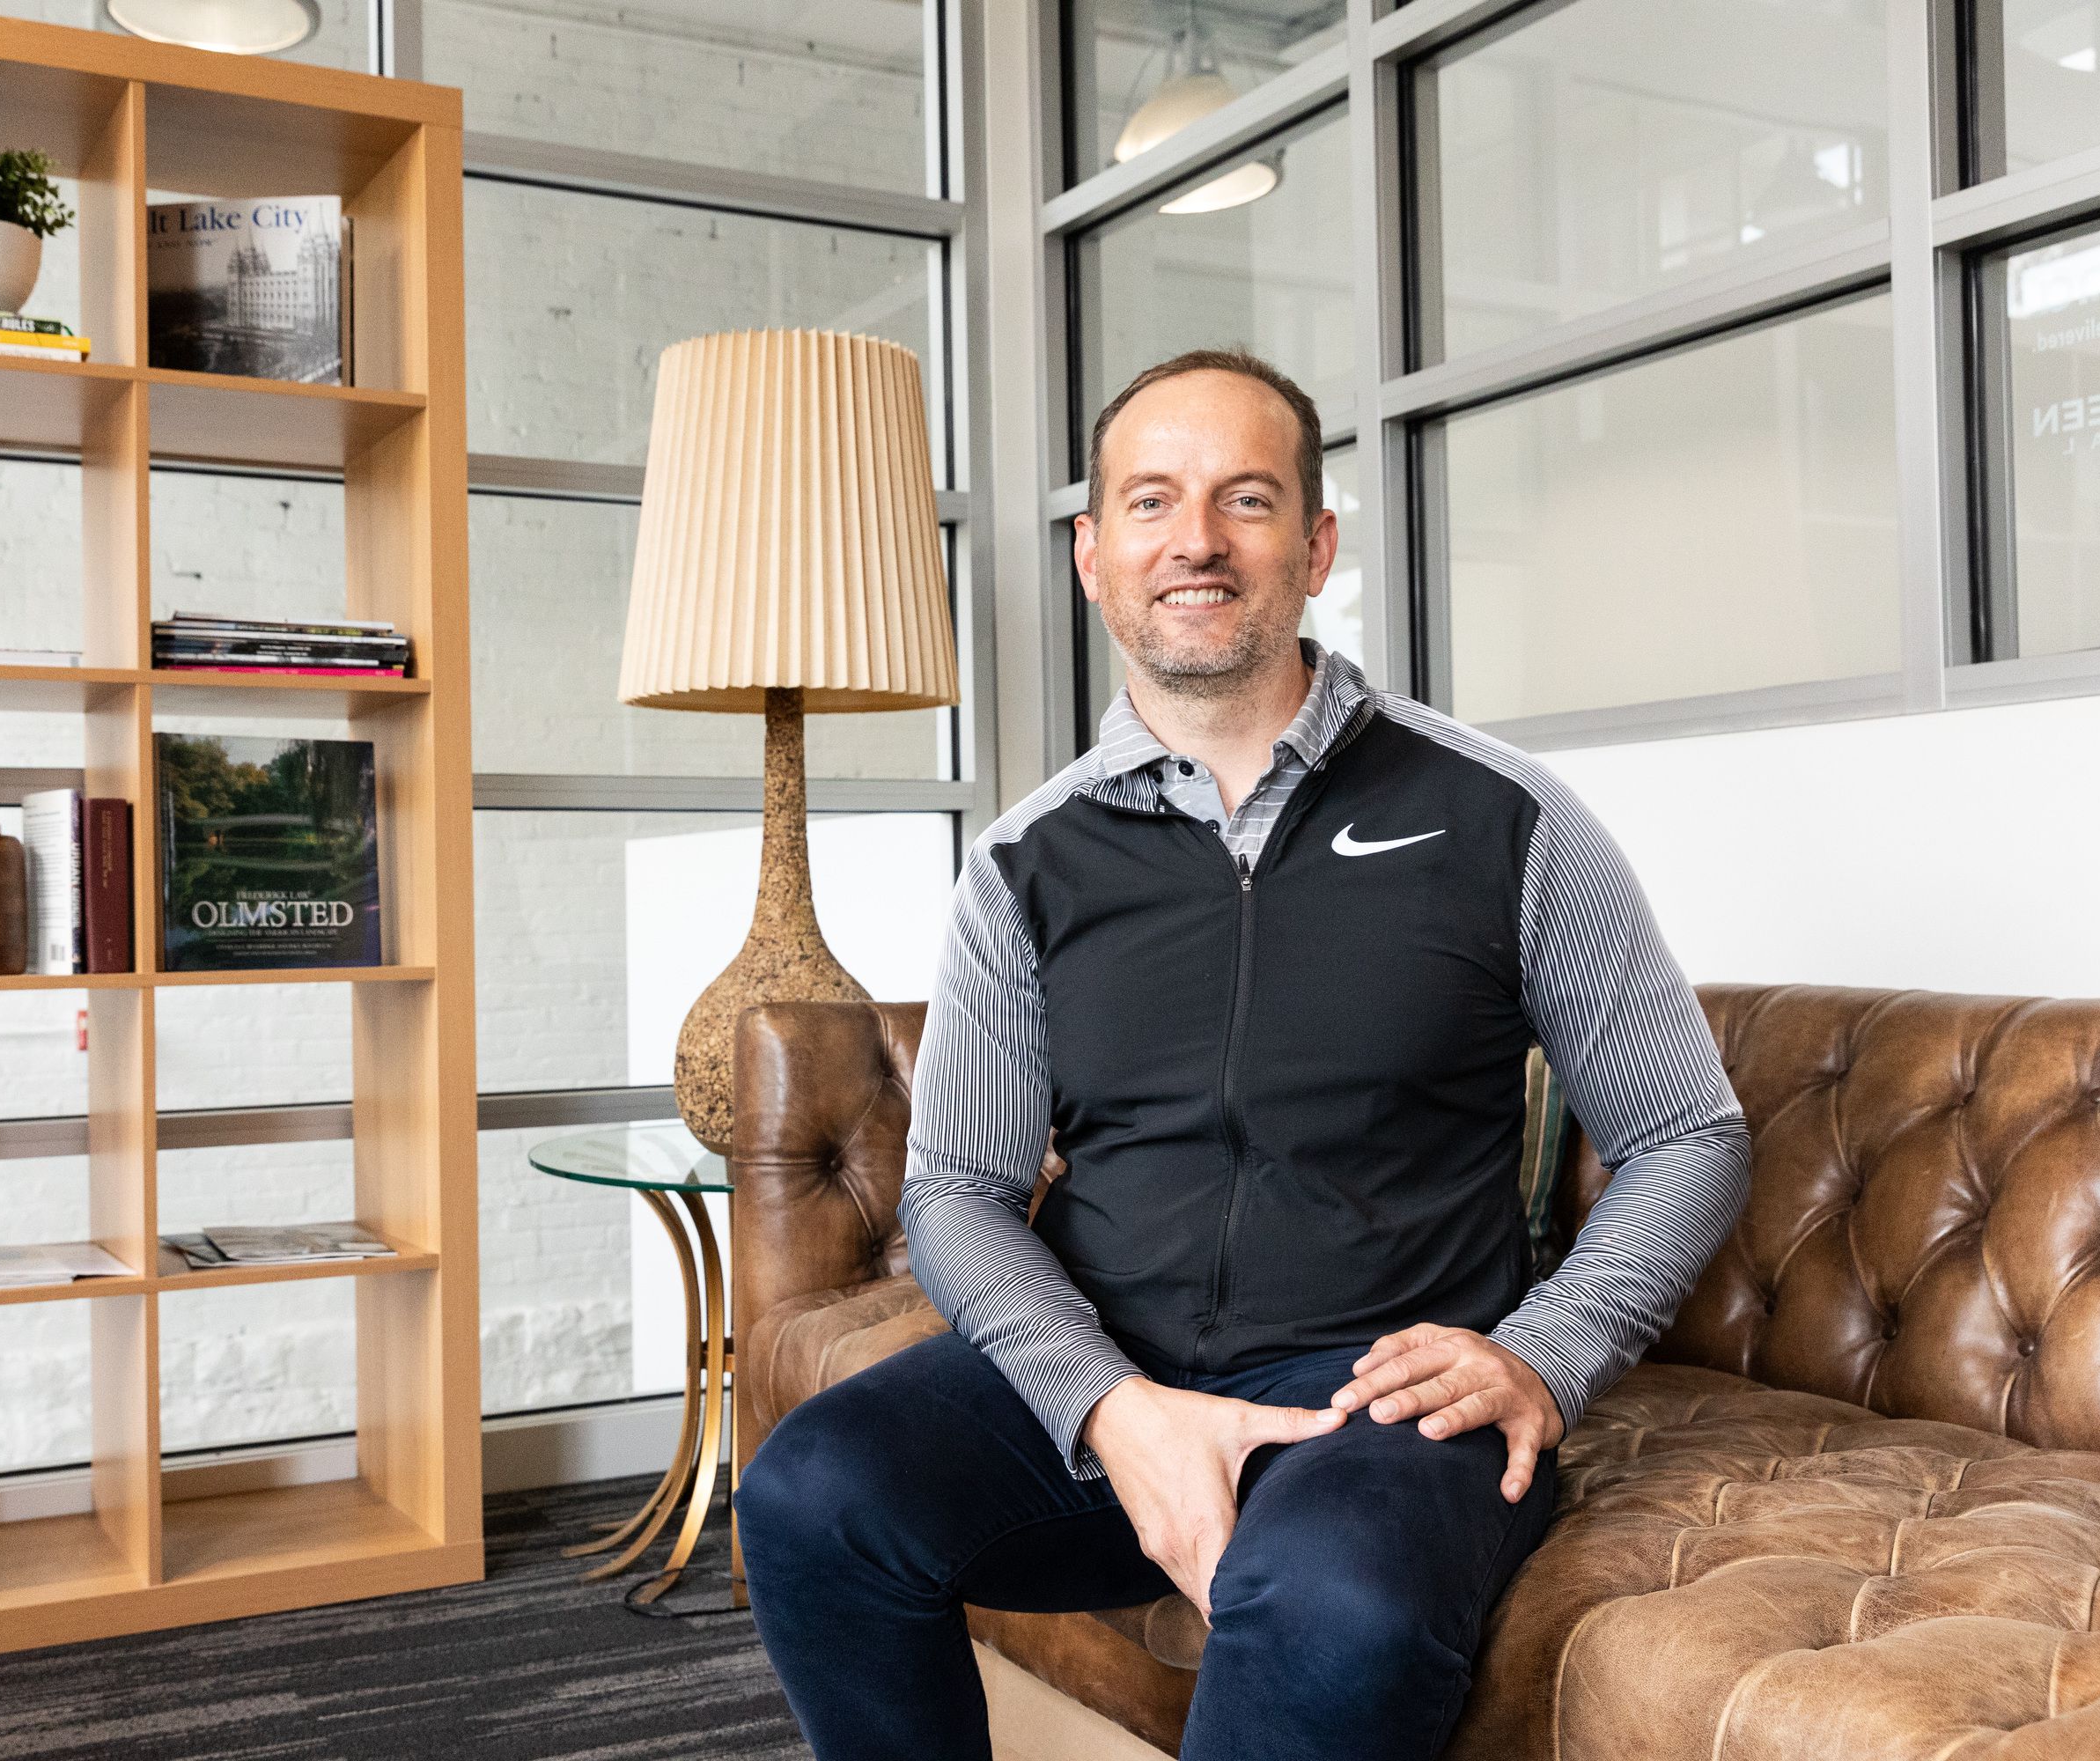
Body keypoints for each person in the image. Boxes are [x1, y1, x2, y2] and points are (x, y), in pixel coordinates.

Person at [733, 348, 1751, 1761]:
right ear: (1094, 556)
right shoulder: (1024, 865)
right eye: (1150, 503)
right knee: (809, 1498)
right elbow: (958, 1190)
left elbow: (1688, 1133)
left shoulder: (1507, 818)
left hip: (1382, 1403)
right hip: (1113, 1365)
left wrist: (1544, 1359)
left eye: (1247, 499)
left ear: (1317, 544)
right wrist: (1115, 1412)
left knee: (1329, 1597)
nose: (1195, 541)